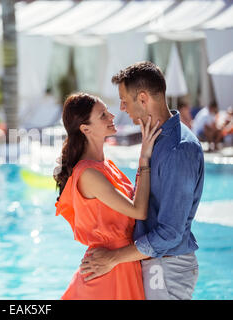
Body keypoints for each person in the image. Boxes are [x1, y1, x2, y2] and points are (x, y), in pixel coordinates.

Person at [79, 61, 204, 300]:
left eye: (124, 100)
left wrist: (113, 258)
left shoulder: (178, 149)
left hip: (167, 267)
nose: (122, 108)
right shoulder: (156, 140)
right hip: (157, 264)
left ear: (144, 99)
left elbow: (170, 232)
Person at [54, 92, 161, 299]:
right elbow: (138, 210)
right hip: (108, 271)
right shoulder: (89, 174)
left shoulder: (106, 166)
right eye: (102, 115)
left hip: (119, 262)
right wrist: (144, 158)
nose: (112, 116)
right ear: (85, 129)